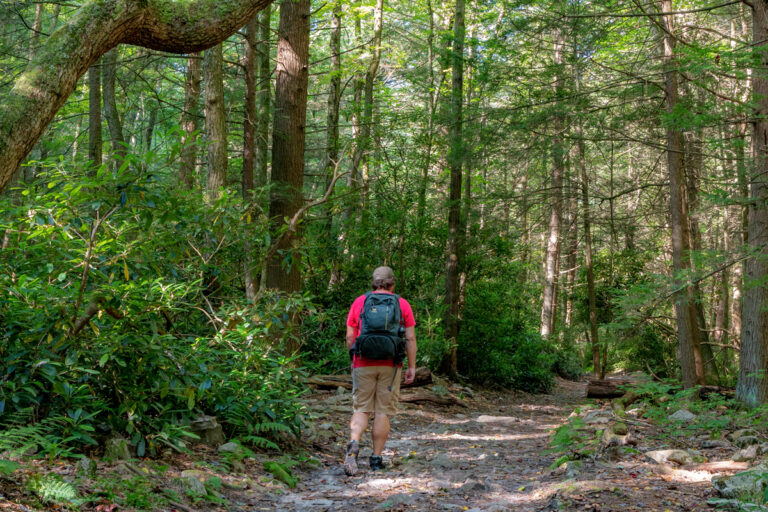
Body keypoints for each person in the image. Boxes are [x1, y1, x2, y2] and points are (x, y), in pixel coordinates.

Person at [343, 266, 416, 475]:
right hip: (391, 365)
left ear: (373, 282)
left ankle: (354, 444)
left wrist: (353, 357)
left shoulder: (360, 302)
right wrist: (411, 367)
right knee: (383, 411)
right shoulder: (402, 304)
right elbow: (410, 338)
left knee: (362, 408)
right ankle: (375, 459)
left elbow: (350, 337)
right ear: (392, 282)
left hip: (362, 362)